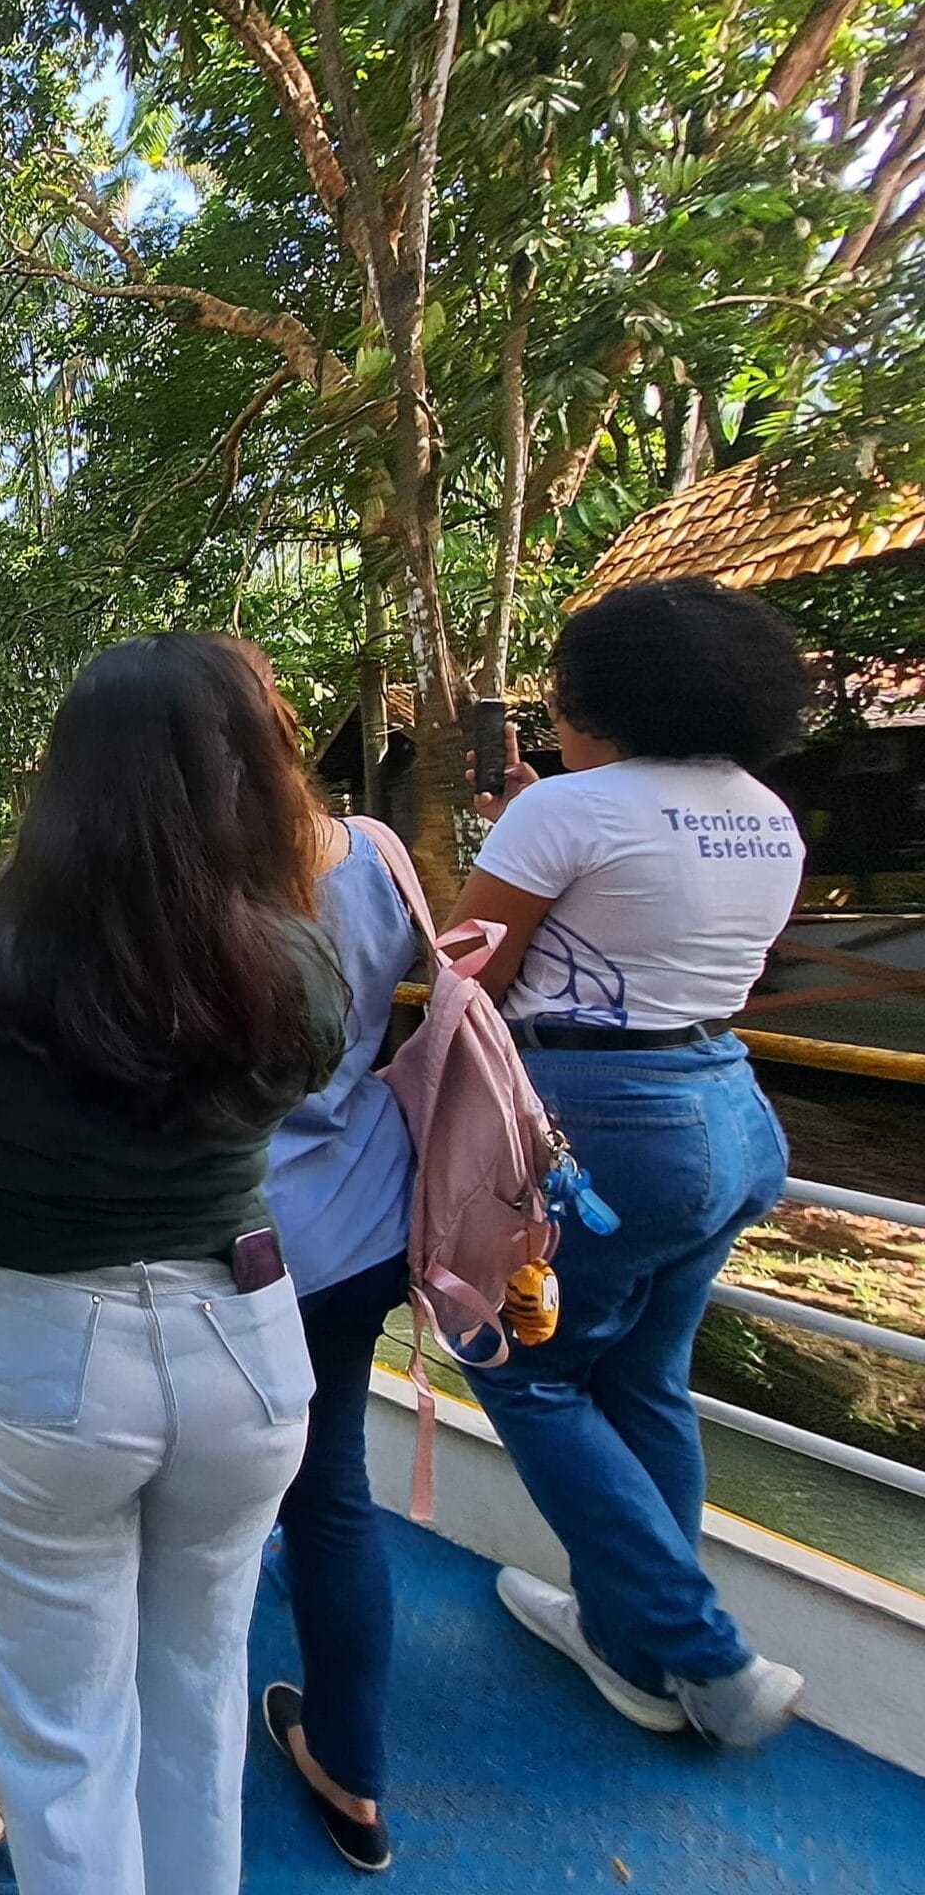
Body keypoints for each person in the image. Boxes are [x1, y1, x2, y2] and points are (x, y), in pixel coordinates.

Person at [0, 634, 343, 1895]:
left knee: (62, 1736)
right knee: (198, 1682)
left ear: (69, 775)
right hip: (248, 1345)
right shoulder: (295, 955)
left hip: (47, 1357)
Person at [456, 576, 811, 1748]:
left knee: (522, 1372)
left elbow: (467, 977)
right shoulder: (766, 811)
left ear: (601, 702)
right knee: (644, 1380)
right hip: (727, 1111)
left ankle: (708, 1654)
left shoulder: (562, 812)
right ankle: (626, 1643)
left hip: (602, 1133)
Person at [245, 662, 418, 1875]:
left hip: (234, 1242)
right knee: (331, 1489)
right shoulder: (379, 853)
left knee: (179, 1503)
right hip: (361, 1222)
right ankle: (351, 1772)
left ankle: (165, 1786)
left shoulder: (184, 883)